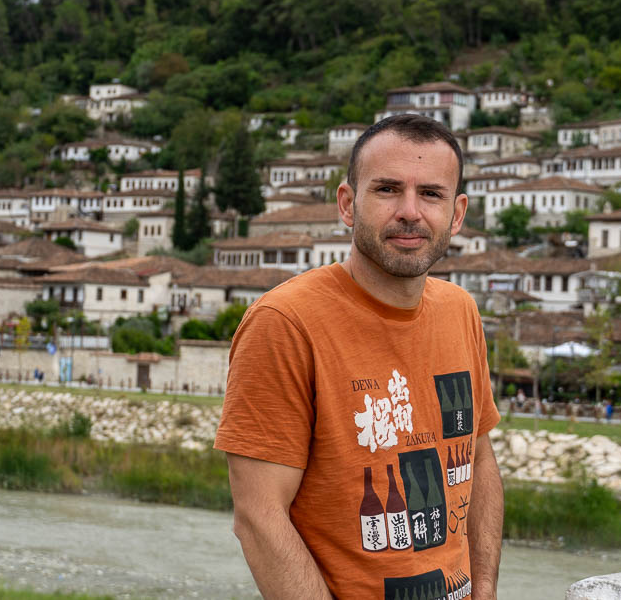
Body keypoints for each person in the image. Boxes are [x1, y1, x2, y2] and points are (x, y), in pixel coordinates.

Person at [214, 114, 503, 600]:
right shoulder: (285, 322)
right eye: (387, 189)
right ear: (348, 204)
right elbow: (258, 517)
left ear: (457, 215)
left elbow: (476, 456)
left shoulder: (461, 312)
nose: (410, 211)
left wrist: (486, 588)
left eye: (431, 194)